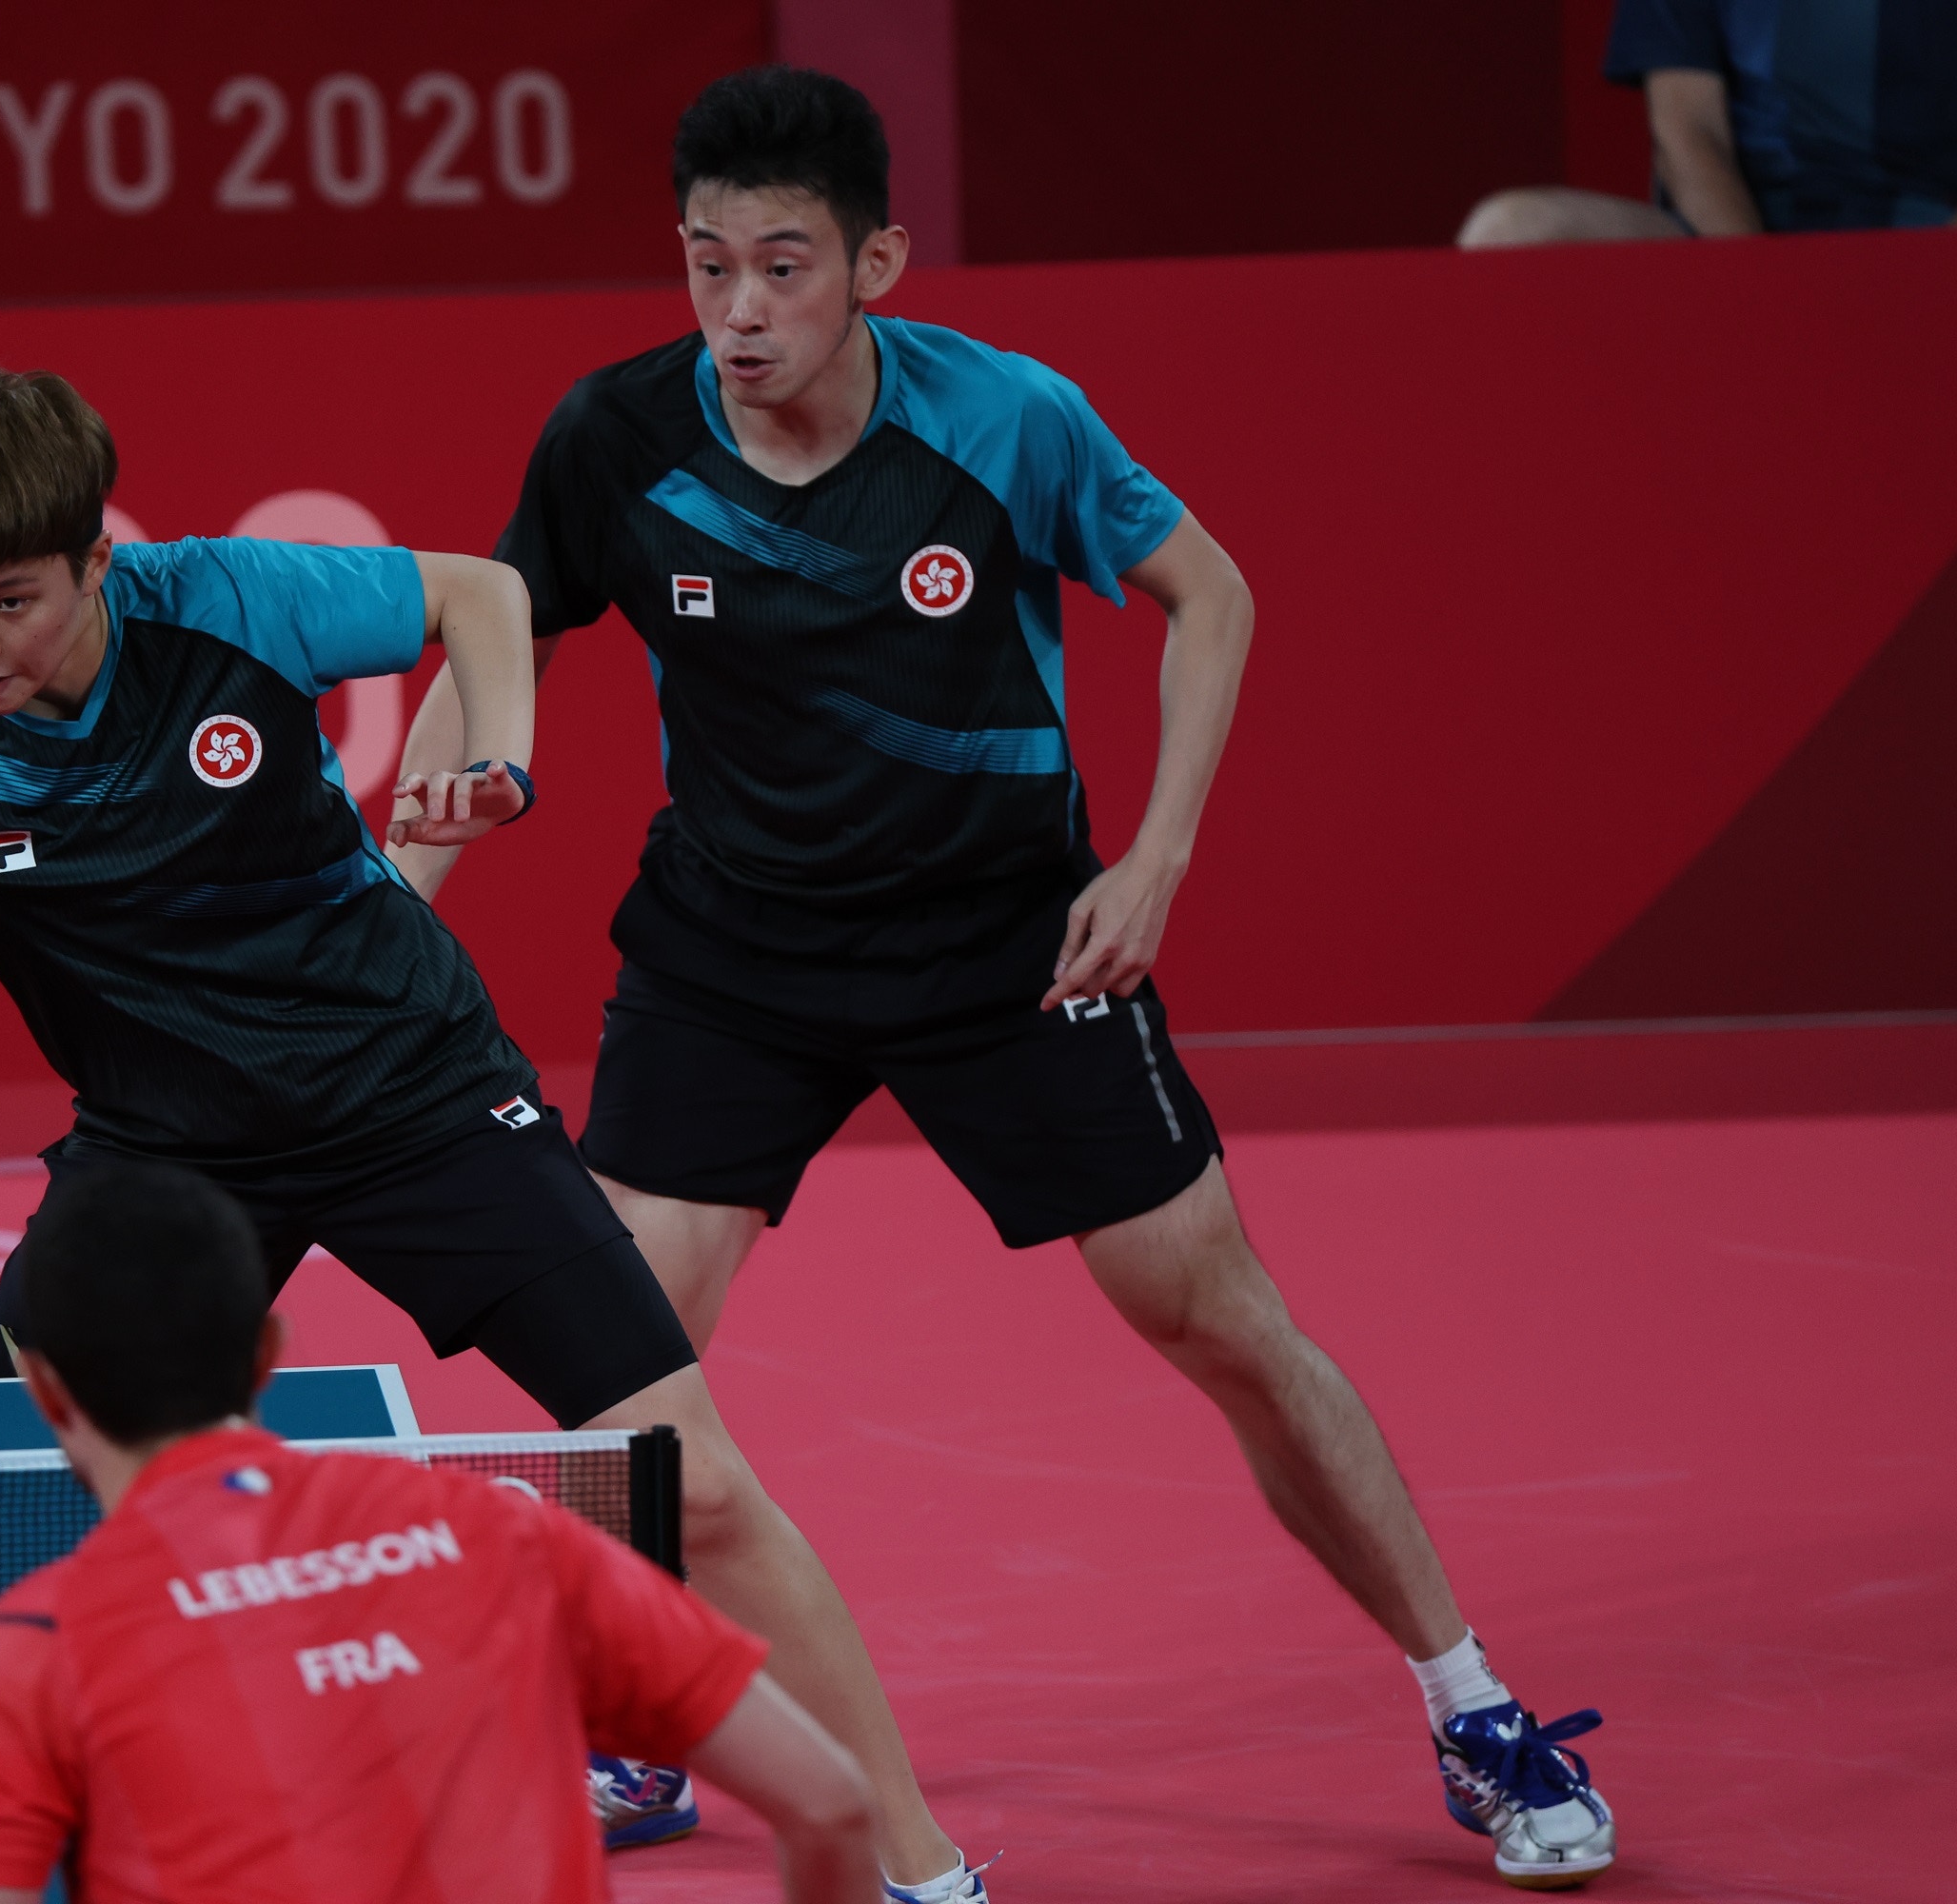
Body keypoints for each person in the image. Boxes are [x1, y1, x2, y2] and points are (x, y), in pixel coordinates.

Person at [396, 68, 1617, 1893]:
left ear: (875, 261)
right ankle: (645, 1721)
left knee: (1225, 1328)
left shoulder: (1010, 421)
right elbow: (499, 628)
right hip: (733, 950)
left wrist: (1157, 859)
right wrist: (399, 894)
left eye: (785, 267)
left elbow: (1211, 598)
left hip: (1010, 947)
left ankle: (1470, 1703)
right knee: (616, 1363)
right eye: (708, 264)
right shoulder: (617, 437)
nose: (739, 311)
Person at [0, 367, 954, 1881]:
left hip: (416, 1093)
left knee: (692, 1478)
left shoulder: (233, 605)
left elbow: (484, 594)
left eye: (11, 598)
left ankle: (923, 1864)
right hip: (163, 1157)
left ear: (95, 564)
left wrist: (498, 759)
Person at [0, 1155, 876, 1904]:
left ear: (45, 1390)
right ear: (267, 1351)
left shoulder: (37, 1649)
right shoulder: (512, 1532)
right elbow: (827, 1801)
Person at [1460, 0, 1957, 246]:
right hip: (1729, 241)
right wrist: (1761, 286)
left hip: (1950, 238)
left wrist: (1951, 267)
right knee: (1511, 228)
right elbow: (1686, 130)